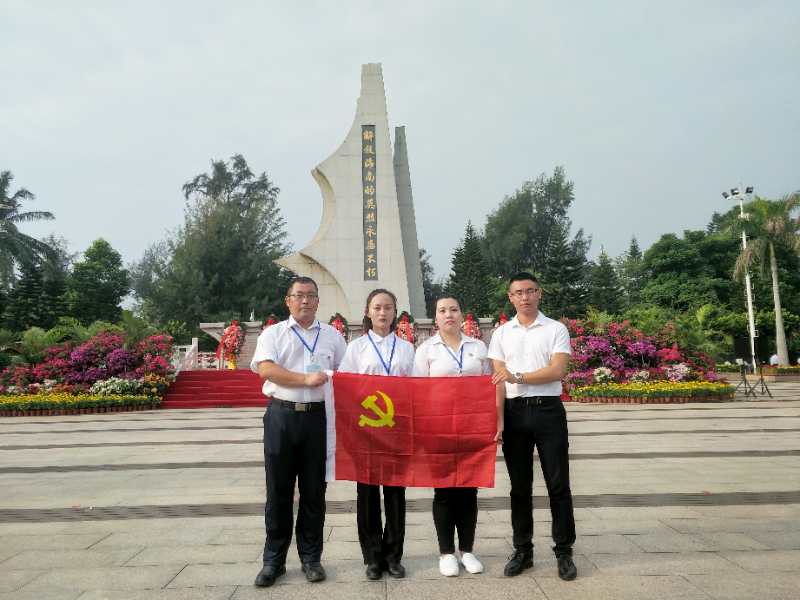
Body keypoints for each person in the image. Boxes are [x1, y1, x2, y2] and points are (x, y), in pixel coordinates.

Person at [251, 276, 347, 587]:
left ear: (318, 301)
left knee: (314, 491)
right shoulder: (273, 333)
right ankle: (273, 561)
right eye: (299, 295)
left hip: (318, 420)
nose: (305, 300)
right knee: (278, 491)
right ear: (288, 300)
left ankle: (311, 558)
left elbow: (346, 377)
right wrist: (304, 380)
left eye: (311, 296)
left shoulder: (333, 336)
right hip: (282, 416)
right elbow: (265, 368)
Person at [488, 272, 578, 582]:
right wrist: (498, 420)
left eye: (530, 291)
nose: (525, 297)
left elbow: (558, 370)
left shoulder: (555, 329)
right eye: (518, 293)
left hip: (548, 412)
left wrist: (521, 377)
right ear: (510, 297)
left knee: (558, 484)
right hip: (514, 414)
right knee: (519, 487)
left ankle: (564, 551)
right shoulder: (501, 334)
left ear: (539, 293)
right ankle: (522, 550)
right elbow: (499, 381)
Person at [413, 296, 494, 577]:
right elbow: (418, 394)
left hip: (473, 428)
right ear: (435, 318)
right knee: (445, 492)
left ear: (462, 316)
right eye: (442, 311)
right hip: (440, 430)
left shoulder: (479, 347)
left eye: (454, 310)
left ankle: (467, 550)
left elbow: (489, 387)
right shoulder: (426, 350)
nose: (449, 314)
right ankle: (446, 552)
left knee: (469, 490)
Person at [338, 288, 415, 580]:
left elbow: (415, 389)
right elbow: (346, 386)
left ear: (395, 312)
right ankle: (372, 557)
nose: (382, 313)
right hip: (366, 432)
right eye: (377, 307)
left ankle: (394, 556)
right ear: (368, 312)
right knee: (367, 495)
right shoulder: (356, 348)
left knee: (395, 494)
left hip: (395, 430)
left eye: (388, 308)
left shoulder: (407, 349)